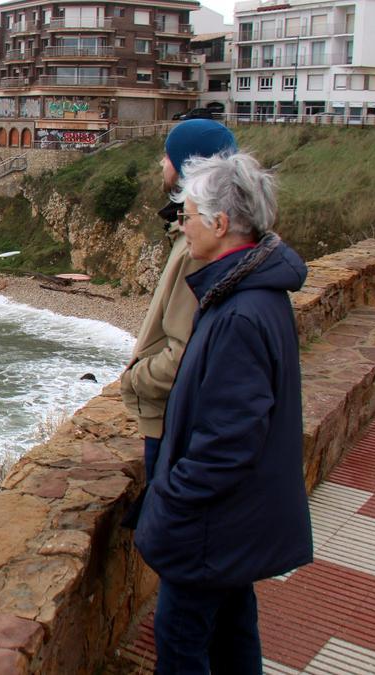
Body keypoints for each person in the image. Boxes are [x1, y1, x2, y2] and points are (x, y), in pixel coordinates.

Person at [133, 152, 313, 673]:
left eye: (188, 215)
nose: (182, 225)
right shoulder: (254, 291)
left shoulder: (240, 313)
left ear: (220, 224)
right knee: (234, 632)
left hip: (213, 526)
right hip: (238, 520)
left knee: (181, 641)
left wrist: (168, 503)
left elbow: (229, 440)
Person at [121, 119, 237, 521]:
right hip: (180, 416)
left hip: (171, 418)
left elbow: (186, 350)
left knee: (169, 531)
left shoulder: (197, 247)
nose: (160, 163)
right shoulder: (196, 235)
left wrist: (136, 379)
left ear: (188, 165)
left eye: (168, 155)